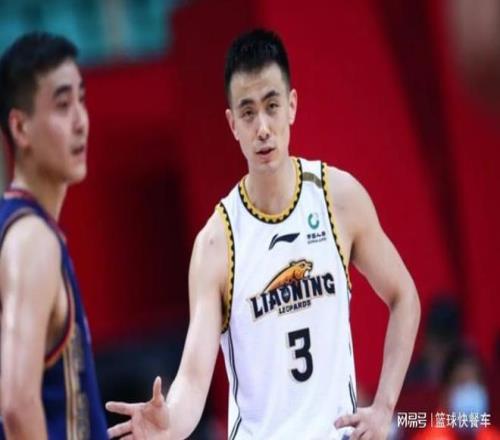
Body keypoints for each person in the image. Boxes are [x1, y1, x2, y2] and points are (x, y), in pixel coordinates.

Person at [106, 29, 421, 440]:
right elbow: (194, 380)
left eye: (272, 106)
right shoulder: (217, 243)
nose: (262, 128)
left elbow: (405, 296)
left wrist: (384, 408)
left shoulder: (338, 198)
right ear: (232, 124)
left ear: (292, 105)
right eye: (248, 112)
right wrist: (169, 424)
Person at [0, 32, 107, 439]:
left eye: (82, 99)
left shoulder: (19, 231)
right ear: (20, 127)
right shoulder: (32, 241)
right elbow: (17, 405)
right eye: (63, 105)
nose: (81, 120)